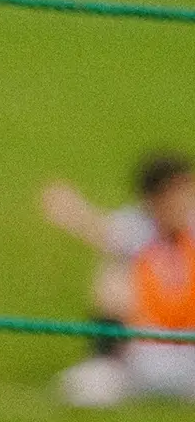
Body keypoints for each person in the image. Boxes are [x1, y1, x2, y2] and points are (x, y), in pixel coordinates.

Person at [47, 152, 195, 406]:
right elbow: (104, 232)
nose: (185, 202)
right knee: (114, 274)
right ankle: (104, 362)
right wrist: (72, 210)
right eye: (178, 193)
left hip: (188, 347)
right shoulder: (138, 229)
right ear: (155, 199)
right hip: (147, 354)